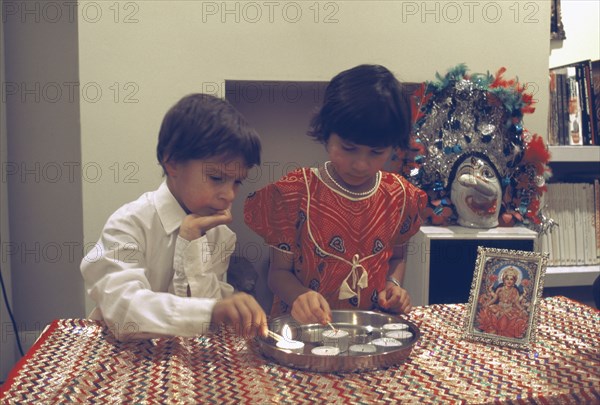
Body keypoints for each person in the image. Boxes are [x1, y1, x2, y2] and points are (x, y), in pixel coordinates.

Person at [244, 64, 427, 325]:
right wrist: (300, 296)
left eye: (376, 152)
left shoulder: (400, 197)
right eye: (348, 148)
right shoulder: (295, 193)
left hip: (368, 332)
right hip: (302, 331)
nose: (361, 164)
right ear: (326, 133)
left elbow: (397, 257)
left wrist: (394, 285)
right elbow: (278, 273)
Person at [81, 93, 267, 341]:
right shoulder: (129, 224)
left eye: (237, 182)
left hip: (183, 363)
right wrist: (210, 311)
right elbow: (125, 312)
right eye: (216, 178)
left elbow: (203, 323)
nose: (229, 195)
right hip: (121, 360)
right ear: (173, 163)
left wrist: (192, 241)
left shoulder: (221, 235)